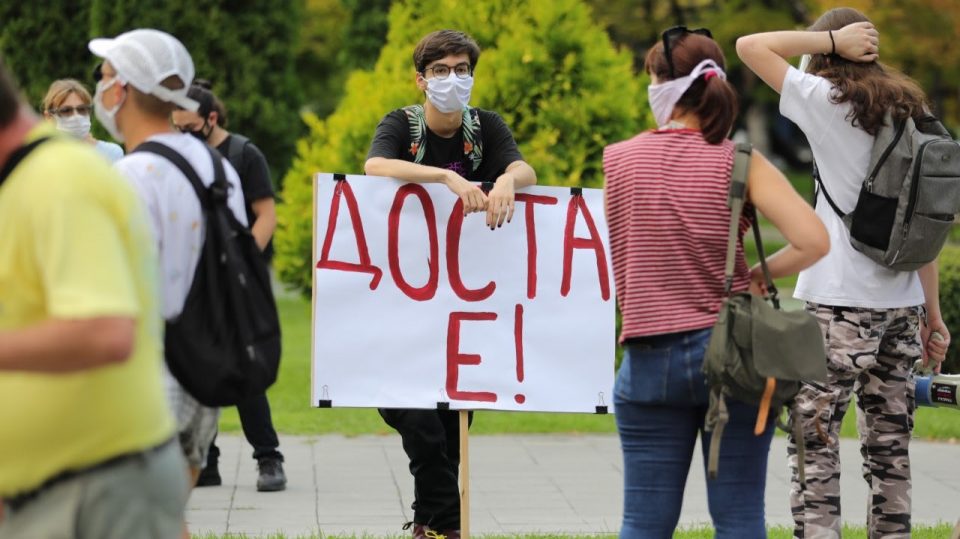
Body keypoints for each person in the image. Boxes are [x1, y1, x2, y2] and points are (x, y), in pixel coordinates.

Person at [603, 27, 830, 539]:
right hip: (732, 358)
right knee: (739, 516)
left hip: (645, 360)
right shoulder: (741, 162)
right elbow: (813, 240)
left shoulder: (618, 159)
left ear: (663, 85)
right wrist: (750, 276)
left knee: (642, 522)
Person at [737, 9, 950, 539]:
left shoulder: (827, 101)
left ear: (827, 52)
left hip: (836, 305)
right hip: (902, 309)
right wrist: (933, 315)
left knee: (815, 444)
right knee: (890, 448)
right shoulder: (913, 110)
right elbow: (921, 221)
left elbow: (749, 45)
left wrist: (828, 38)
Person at [0, 56, 188, 537]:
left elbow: (105, 332)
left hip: (96, 491)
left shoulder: (58, 180)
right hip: (53, 490)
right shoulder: (26, 181)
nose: (76, 116)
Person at [364, 29, 536, 538]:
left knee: (448, 430)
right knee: (415, 421)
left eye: (462, 69)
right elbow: (374, 165)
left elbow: (522, 166)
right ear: (421, 79)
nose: (452, 80)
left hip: (462, 311)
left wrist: (505, 180)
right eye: (441, 71)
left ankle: (430, 526)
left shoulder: (486, 127)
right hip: (402, 306)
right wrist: (445, 178)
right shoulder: (402, 125)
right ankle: (451, 526)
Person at [87, 28, 249, 492]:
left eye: (104, 78)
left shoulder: (131, 176)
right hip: (203, 364)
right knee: (169, 512)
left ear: (122, 90)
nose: (101, 88)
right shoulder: (215, 167)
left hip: (147, 375)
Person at [171, 82, 285, 492]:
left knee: (243, 368)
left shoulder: (242, 154)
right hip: (191, 284)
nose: (181, 135)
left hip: (235, 279)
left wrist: (238, 263)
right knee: (196, 365)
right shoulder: (178, 156)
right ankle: (208, 461)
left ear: (211, 120)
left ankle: (268, 458)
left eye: (188, 127)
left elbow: (266, 215)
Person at [41, 78, 124, 162]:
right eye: (66, 110)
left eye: (82, 109)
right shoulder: (41, 158)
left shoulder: (112, 153)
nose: (76, 116)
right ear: (49, 117)